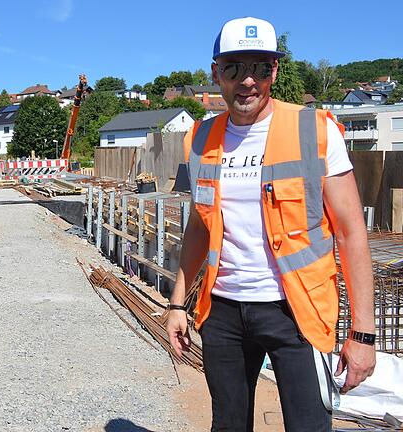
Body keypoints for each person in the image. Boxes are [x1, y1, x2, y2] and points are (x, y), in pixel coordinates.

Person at [165, 17, 376, 432]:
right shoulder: (201, 139)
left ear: (274, 71)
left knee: (308, 425)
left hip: (297, 313)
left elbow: (352, 234)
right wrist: (176, 304)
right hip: (222, 311)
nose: (247, 80)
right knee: (228, 425)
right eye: (234, 67)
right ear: (216, 73)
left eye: (260, 67)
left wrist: (363, 335)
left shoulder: (315, 131)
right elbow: (199, 226)